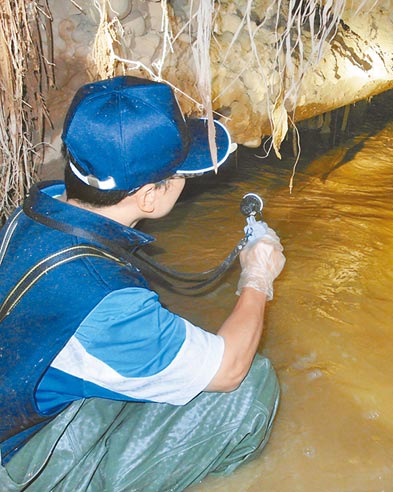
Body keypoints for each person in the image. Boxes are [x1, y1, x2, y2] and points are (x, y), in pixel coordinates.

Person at [0, 75, 286, 491]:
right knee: (249, 387)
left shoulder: (32, 212)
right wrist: (257, 276)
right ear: (150, 197)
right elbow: (230, 370)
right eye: (181, 173)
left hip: (16, 398)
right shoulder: (106, 300)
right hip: (15, 462)